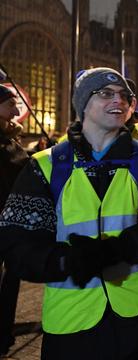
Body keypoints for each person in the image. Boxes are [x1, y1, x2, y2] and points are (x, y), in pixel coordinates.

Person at [0, 68, 138, 359]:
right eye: (106, 93)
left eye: (125, 95)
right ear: (83, 103)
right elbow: (17, 244)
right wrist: (67, 260)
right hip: (72, 323)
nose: (119, 101)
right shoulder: (44, 166)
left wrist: (115, 250)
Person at [0, 84, 29, 356]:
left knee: (12, 279)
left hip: (11, 223)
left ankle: (3, 331)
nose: (16, 110)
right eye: (10, 104)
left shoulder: (12, 141)